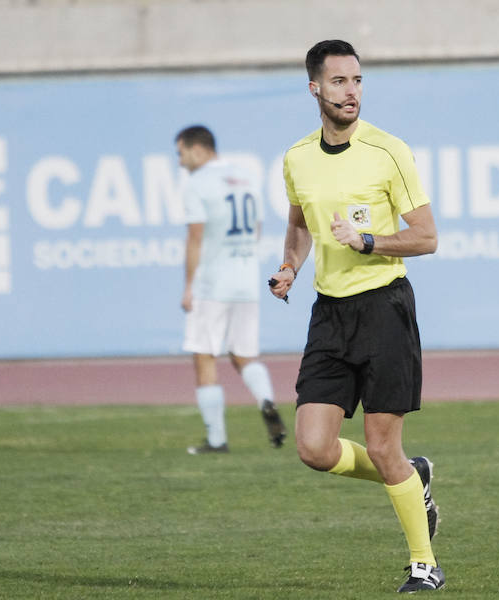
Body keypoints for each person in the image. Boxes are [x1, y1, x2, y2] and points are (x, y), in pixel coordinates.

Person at [268, 40, 444, 593]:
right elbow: (299, 223)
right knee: (313, 449)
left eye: (358, 81)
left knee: (384, 445)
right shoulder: (297, 157)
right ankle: (413, 480)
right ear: (315, 88)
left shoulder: (389, 152)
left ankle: (424, 564)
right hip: (329, 314)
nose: (352, 92)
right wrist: (290, 266)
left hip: (384, 309)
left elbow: (427, 237)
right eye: (340, 82)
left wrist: (368, 240)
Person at [175, 125, 287, 455]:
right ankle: (266, 399)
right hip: (245, 279)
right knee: (244, 354)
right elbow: (257, 229)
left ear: (197, 150)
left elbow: (195, 238)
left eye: (181, 154)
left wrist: (188, 287)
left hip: (213, 282)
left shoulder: (197, 184)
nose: (180, 162)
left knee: (204, 354)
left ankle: (216, 438)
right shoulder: (245, 177)